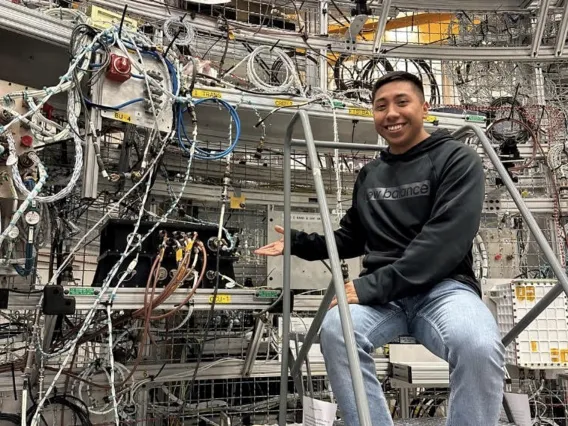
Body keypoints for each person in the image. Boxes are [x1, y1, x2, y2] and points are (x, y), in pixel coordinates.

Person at [254, 71, 506, 426]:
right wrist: (298, 243)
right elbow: (351, 238)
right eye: (380, 106)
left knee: (479, 345)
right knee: (336, 331)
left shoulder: (457, 159)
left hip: (443, 289)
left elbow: (443, 242)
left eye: (402, 102)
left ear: (424, 107)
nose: (391, 114)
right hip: (385, 300)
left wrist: (368, 286)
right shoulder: (370, 175)